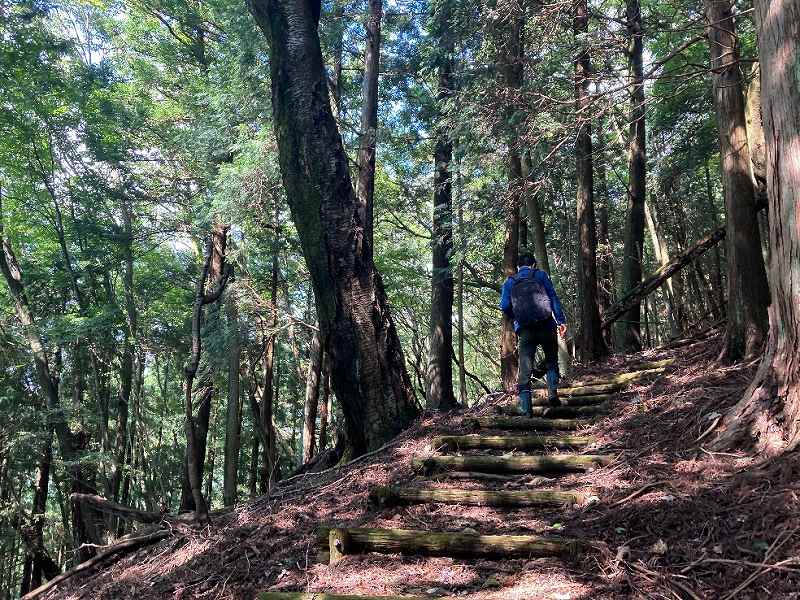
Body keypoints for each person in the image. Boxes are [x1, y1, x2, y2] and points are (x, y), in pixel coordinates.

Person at [499, 253, 567, 415]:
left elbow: (504, 305)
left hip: (525, 330)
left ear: (517, 267)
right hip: (546, 325)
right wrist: (560, 320)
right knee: (551, 360)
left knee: (525, 370)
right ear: (534, 265)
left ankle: (526, 409)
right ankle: (552, 394)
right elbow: (552, 297)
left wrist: (516, 317)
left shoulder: (510, 282)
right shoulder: (540, 275)